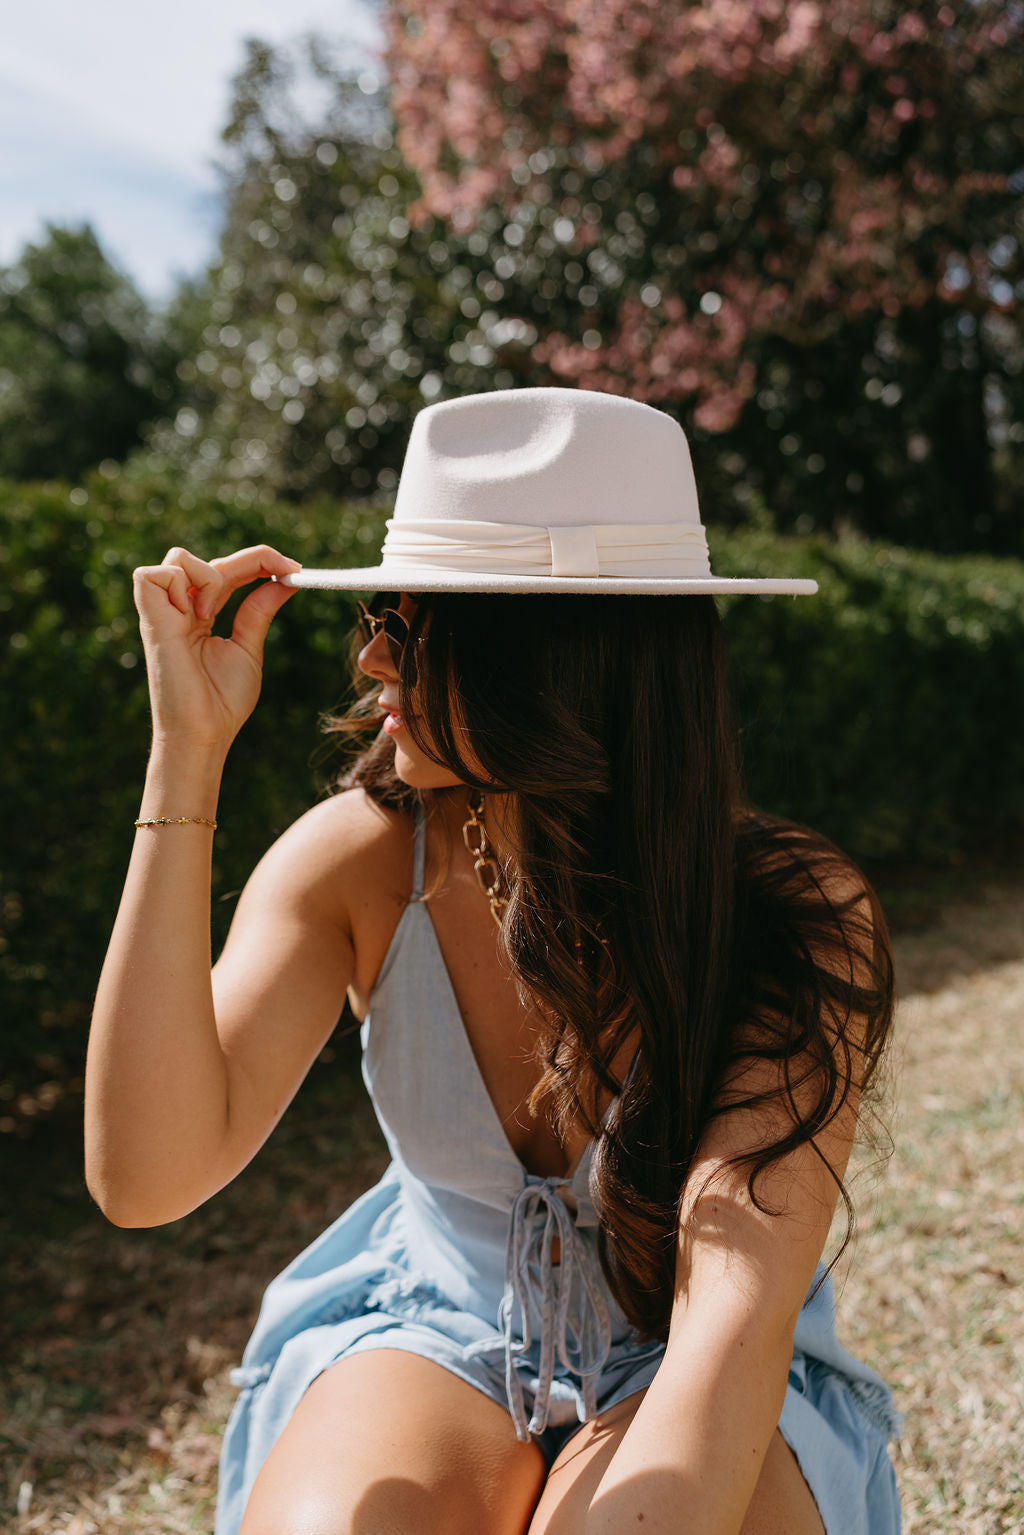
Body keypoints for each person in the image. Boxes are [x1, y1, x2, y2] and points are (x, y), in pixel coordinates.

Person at [85, 388, 902, 1535]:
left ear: (554, 659)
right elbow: (146, 1173)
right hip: (431, 1329)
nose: (369, 655)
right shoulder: (356, 863)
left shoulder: (793, 912)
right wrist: (185, 753)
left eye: (410, 626)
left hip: (686, 1352)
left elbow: (733, 1316)